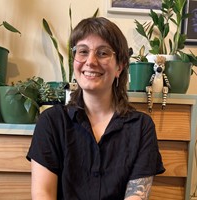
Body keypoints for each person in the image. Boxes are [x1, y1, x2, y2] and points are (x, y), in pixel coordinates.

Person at [27, 17, 165, 200]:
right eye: (83, 51)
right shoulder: (51, 123)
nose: (90, 61)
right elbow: (43, 194)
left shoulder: (141, 127)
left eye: (102, 53)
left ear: (120, 67)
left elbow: (136, 197)